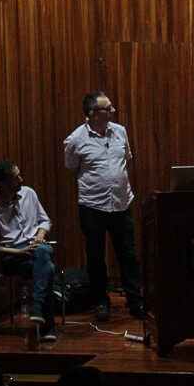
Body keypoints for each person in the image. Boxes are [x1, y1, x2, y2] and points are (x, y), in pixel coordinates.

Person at [64, 91, 143, 321]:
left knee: (128, 254)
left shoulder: (120, 132)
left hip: (120, 203)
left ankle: (135, 301)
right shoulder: (75, 140)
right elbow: (72, 167)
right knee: (96, 257)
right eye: (108, 108)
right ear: (92, 114)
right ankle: (101, 301)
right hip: (92, 206)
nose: (113, 112)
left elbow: (126, 158)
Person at [0, 159, 58, 342]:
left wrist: (40, 235)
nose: (21, 179)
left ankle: (38, 310)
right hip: (11, 256)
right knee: (47, 267)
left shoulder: (29, 194)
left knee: (43, 254)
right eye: (15, 178)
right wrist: (17, 252)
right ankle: (46, 325)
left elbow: (44, 221)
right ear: (2, 184)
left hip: (35, 248)